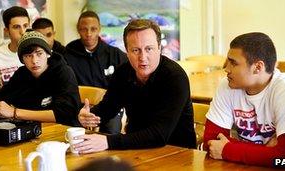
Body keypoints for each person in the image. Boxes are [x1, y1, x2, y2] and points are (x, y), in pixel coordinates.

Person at [74, 19, 196, 154]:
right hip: (136, 150)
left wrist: (108, 142)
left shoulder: (175, 77)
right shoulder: (123, 72)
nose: (143, 57)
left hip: (178, 154)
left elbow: (159, 135)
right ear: (126, 51)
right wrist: (88, 116)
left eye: (149, 49)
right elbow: (107, 109)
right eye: (136, 50)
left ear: (159, 48)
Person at [204, 32, 285, 168]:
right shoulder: (226, 85)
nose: (226, 69)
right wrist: (268, 152)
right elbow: (210, 143)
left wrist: (227, 149)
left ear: (258, 67)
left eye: (233, 63)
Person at [0, 30, 81, 126]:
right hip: (31, 130)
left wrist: (15, 112)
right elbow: (2, 98)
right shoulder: (22, 74)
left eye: (39, 53)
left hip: (62, 130)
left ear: (47, 54)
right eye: (28, 56)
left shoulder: (64, 72)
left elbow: (65, 114)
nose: (34, 60)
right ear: (22, 59)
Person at [65, 11, 127, 134]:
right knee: (72, 132)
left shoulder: (115, 55)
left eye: (93, 29)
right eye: (84, 29)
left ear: (99, 29)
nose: (88, 34)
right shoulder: (68, 54)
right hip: (79, 108)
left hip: (109, 107)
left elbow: (126, 83)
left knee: (112, 130)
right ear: (78, 29)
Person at [0, 6, 29, 97]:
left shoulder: (41, 53)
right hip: (6, 108)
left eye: (25, 26)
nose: (22, 32)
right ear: (6, 31)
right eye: (16, 27)